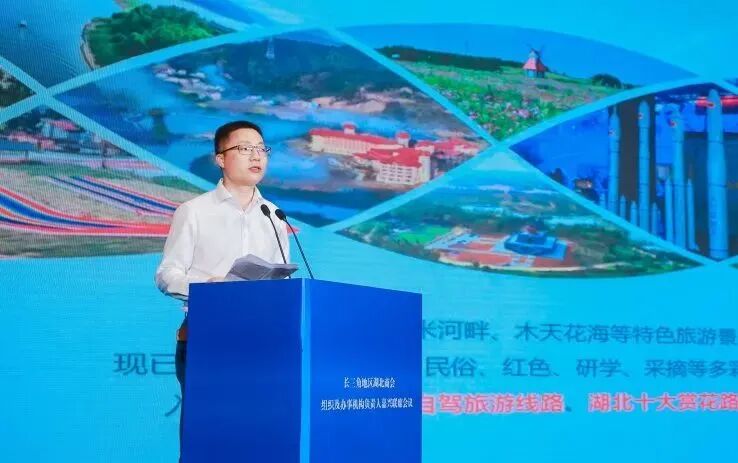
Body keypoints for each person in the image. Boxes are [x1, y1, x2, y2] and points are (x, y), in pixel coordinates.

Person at [154, 120, 290, 460]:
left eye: (261, 149)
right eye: (244, 148)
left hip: (261, 341)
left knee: (255, 438)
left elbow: (282, 280)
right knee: (207, 438)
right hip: (206, 337)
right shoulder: (194, 211)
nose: (256, 156)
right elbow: (167, 275)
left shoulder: (274, 216)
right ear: (220, 158)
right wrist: (207, 289)